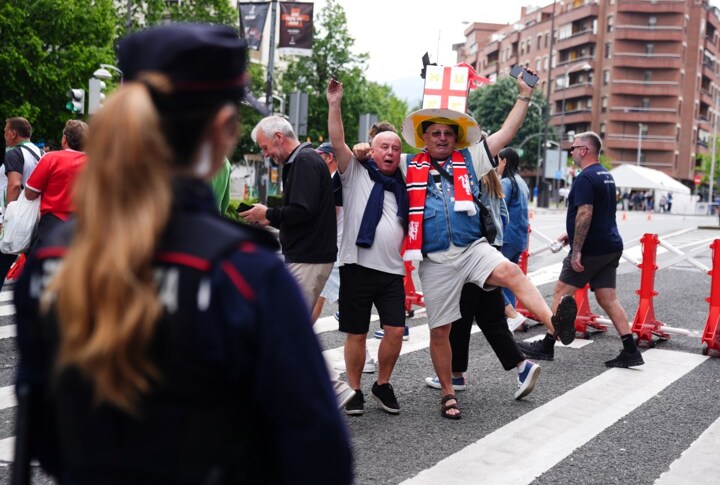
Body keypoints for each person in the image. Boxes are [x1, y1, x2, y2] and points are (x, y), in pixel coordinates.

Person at [13, 23, 352, 484]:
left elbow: (44, 430)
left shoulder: (55, 256)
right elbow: (321, 455)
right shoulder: (245, 275)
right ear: (223, 130)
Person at [400, 69, 577, 420]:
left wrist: (524, 95)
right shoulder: (408, 165)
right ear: (424, 138)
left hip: (472, 248)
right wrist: (363, 150)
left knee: (511, 272)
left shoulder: (470, 159)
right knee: (441, 330)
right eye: (435, 133)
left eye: (448, 133)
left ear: (456, 138)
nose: (442, 138)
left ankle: (555, 324)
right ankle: (448, 393)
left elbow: (506, 133)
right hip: (435, 259)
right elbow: (378, 156)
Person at [243, 115, 355, 409]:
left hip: (309, 257)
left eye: (265, 147)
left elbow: (302, 211)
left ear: (279, 137)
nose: (266, 154)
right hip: (308, 255)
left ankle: (331, 388)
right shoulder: (304, 160)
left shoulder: (303, 161)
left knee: (287, 326)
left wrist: (268, 214)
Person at [518, 132, 644, 368]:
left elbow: (585, 212)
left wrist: (577, 250)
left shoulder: (585, 178)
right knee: (608, 298)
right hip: (610, 245)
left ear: (584, 150)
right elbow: (601, 212)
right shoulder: (606, 175)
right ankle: (631, 350)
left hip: (591, 250)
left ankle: (547, 344)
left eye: (574, 148)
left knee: (560, 293)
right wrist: (571, 232)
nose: (571, 152)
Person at [327, 78, 408, 417]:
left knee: (396, 331)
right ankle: (356, 388)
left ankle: (382, 384)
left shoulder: (404, 178)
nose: (389, 153)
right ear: (372, 151)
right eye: (383, 147)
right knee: (356, 334)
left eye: (395, 148)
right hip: (356, 266)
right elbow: (338, 141)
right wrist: (334, 104)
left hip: (392, 269)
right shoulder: (355, 172)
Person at [426, 168, 541, 400]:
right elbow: (504, 217)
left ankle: (455, 375)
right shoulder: (494, 181)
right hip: (492, 252)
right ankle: (522, 366)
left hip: (472, 253)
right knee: (492, 318)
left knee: (460, 318)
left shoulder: (469, 177)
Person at [312, 141, 378, 374]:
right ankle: (365, 357)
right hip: (340, 249)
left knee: (319, 300)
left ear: (330, 157)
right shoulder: (338, 178)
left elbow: (329, 216)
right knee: (333, 302)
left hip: (337, 250)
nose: (316, 159)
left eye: (319, 155)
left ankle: (295, 349)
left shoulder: (335, 180)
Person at [24, 119, 88, 254]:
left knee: (41, 263)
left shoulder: (51, 158)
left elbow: (30, 194)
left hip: (51, 225)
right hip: (83, 226)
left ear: (64, 139)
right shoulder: (96, 163)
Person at [1, 117, 42, 287]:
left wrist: (8, 217)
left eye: (5, 131)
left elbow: (14, 185)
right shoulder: (41, 153)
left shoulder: (14, 153)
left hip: (15, 218)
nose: (4, 134)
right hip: (34, 218)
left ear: (13, 133)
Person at [497, 147, 530, 330]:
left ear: (504, 161)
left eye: (498, 160)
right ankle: (513, 318)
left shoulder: (506, 183)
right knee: (509, 280)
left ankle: (513, 316)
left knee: (490, 278)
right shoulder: (521, 182)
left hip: (506, 238)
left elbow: (498, 211)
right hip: (519, 238)